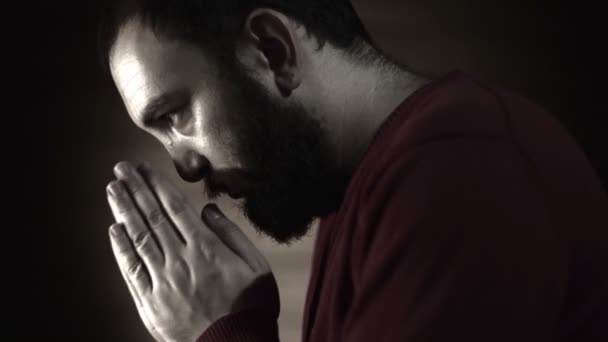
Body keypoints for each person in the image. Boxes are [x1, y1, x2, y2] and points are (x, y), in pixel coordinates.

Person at [98, 1, 608, 341]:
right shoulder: (363, 188)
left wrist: (221, 332)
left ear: (272, 51)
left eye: (174, 116)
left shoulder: (462, 170)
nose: (185, 165)